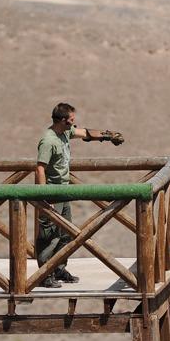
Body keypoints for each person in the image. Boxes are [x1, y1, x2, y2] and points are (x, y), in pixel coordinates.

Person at [36, 102, 124, 288]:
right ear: (62, 121)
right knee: (49, 236)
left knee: (66, 233)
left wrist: (107, 136)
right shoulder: (48, 140)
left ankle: (59, 268)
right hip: (51, 192)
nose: (73, 124)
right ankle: (44, 275)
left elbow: (85, 133)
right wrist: (43, 196)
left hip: (64, 191)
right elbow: (40, 169)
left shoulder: (65, 132)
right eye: (71, 121)